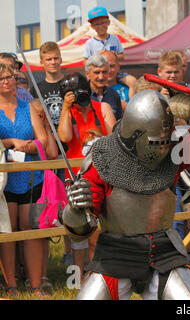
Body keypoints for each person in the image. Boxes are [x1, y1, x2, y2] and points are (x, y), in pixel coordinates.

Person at [61, 89, 190, 300]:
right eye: (155, 143)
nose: (161, 149)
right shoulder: (103, 158)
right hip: (117, 252)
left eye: (165, 141)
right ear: (134, 135)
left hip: (163, 250)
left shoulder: (173, 152)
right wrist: (76, 210)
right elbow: (83, 228)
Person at [57, 72, 116, 276]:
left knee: (98, 231)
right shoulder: (69, 112)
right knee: (79, 230)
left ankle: (96, 275)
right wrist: (66, 107)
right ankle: (79, 276)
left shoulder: (103, 108)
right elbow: (64, 137)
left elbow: (114, 136)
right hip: (75, 177)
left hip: (103, 176)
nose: (82, 100)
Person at [0, 63, 49, 297]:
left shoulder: (28, 107)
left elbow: (44, 141)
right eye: (1, 78)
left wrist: (30, 146)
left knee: (30, 228)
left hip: (31, 176)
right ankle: (11, 286)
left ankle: (36, 285)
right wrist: (10, 142)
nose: (6, 81)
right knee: (8, 232)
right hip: (4, 180)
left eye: (9, 77)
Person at [30, 41, 74, 267]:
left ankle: (69, 250)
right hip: (48, 152)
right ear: (42, 62)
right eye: (49, 59)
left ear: (61, 59)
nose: (53, 62)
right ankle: (46, 257)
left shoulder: (69, 83)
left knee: (69, 201)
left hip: (69, 148)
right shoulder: (36, 88)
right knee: (50, 201)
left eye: (56, 58)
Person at [29, 98, 58, 289]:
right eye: (37, 116)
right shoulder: (27, 134)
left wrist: (46, 127)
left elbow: (53, 153)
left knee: (42, 232)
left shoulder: (43, 132)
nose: (39, 119)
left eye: (42, 115)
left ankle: (44, 275)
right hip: (25, 185)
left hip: (41, 188)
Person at [83, 6, 136, 99]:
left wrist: (114, 56)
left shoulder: (114, 39)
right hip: (99, 74)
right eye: (96, 24)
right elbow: (85, 62)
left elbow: (122, 56)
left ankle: (131, 105)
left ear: (108, 22)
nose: (100, 26)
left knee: (133, 81)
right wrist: (96, 58)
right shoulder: (90, 43)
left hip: (113, 72)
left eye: (103, 22)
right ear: (92, 26)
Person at [85, 54, 123, 121]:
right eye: (97, 72)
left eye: (104, 72)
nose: (101, 77)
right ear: (88, 74)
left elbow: (119, 124)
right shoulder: (81, 95)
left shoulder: (114, 95)